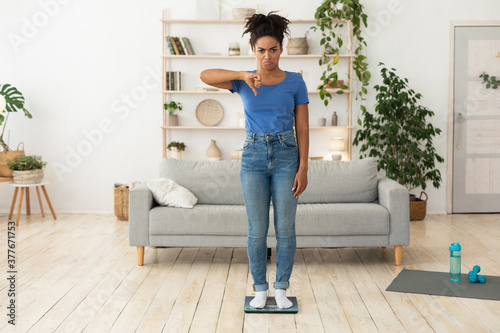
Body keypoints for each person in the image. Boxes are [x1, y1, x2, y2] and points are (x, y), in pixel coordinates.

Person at [200, 12, 309, 309]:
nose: (267, 56)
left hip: (287, 154)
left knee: (286, 228)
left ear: (281, 49)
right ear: (254, 51)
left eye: (273, 49)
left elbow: (302, 128)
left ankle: (282, 288)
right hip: (253, 156)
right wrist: (241, 75)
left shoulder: (296, 81)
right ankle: (260, 288)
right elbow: (205, 76)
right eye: (261, 50)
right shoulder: (245, 81)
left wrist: (304, 166)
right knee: (256, 229)